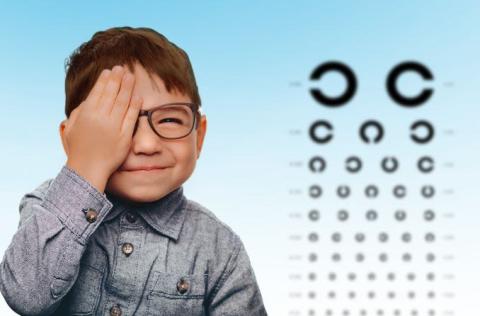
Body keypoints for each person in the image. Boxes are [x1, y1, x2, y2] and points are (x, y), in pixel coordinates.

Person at [0, 26, 268, 316]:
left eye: (169, 120)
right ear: (71, 139)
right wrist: (86, 166)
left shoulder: (219, 249)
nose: (147, 144)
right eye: (119, 123)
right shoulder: (47, 206)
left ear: (198, 136)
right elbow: (25, 297)